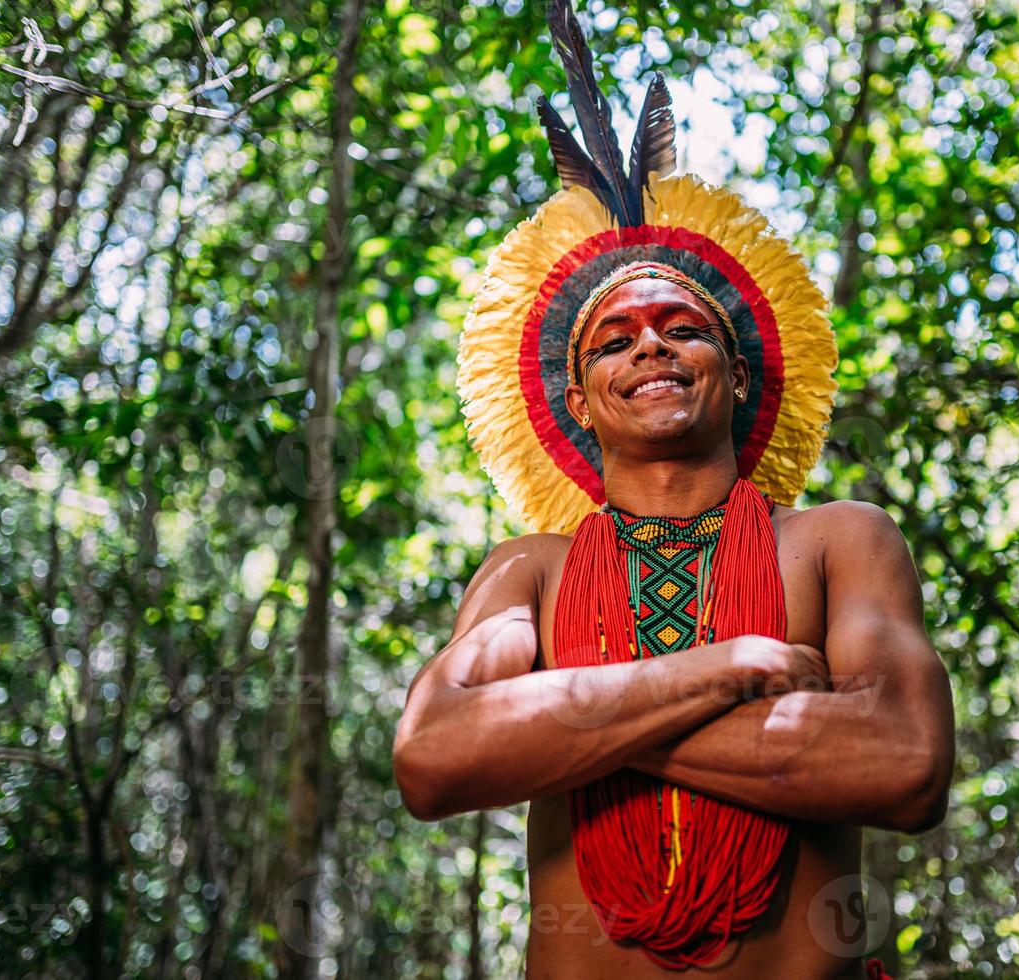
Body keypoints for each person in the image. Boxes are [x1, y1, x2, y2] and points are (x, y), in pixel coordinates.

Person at [394, 3, 955, 976]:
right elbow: (435, 755)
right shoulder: (531, 568)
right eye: (615, 339)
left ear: (738, 374)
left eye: (682, 327)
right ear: (578, 397)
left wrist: (555, 720)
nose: (650, 342)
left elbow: (904, 762)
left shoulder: (839, 541)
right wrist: (728, 666)